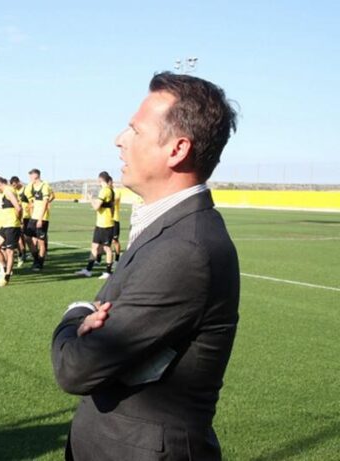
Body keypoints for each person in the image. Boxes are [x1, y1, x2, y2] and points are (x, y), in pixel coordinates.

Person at [51, 72, 239, 461]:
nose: (119, 139)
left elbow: (77, 368)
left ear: (177, 149)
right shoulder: (169, 228)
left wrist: (75, 313)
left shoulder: (185, 249)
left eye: (135, 130)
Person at [75, 171, 115, 279]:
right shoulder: (110, 191)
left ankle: (108, 272)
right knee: (95, 246)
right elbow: (112, 207)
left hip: (106, 225)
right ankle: (88, 270)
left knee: (107, 248)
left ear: (100, 180)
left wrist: (90, 198)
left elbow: (96, 207)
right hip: (101, 224)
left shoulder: (105, 191)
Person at [0, 176, 22, 287]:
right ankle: (5, 269)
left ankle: (6, 277)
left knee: (9, 252)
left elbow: (18, 207)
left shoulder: (8, 190)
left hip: (12, 225)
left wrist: (18, 220)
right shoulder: (4, 192)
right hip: (4, 225)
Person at [26, 168, 52, 271]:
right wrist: (32, 205)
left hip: (42, 218)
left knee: (41, 242)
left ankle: (40, 263)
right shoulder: (32, 186)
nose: (29, 178)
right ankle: (36, 259)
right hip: (33, 217)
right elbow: (32, 199)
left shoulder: (44, 186)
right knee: (28, 238)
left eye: (31, 176)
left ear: (36, 176)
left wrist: (40, 219)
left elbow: (45, 203)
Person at [108, 176, 123, 262]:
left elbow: (114, 202)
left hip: (115, 219)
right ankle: (98, 260)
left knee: (115, 240)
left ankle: (117, 259)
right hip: (106, 219)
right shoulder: (105, 191)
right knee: (105, 241)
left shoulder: (116, 191)